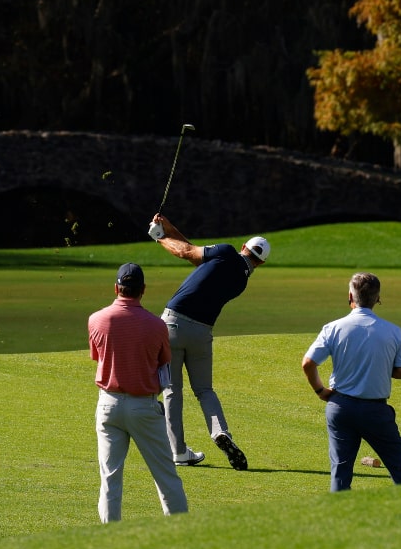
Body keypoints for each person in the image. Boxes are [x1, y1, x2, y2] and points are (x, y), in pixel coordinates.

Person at [150, 213, 267, 470]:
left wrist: (159, 237)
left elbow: (187, 252)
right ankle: (220, 432)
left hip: (173, 324)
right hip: (202, 333)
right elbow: (194, 254)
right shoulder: (241, 281)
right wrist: (169, 227)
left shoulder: (225, 252)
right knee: (204, 390)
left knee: (172, 391)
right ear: (260, 263)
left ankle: (178, 452)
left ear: (243, 247)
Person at [301, 272, 401, 491]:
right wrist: (381, 368)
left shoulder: (333, 328)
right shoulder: (393, 331)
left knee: (340, 473)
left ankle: (339, 520)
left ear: (350, 296)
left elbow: (308, 363)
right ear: (377, 299)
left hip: (340, 406)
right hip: (375, 410)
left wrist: (320, 390)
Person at [87, 262, 188, 523]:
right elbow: (162, 361)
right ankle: (182, 535)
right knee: (166, 476)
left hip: (108, 404)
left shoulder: (96, 319)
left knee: (110, 478)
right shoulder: (157, 326)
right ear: (143, 290)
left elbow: (97, 356)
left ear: (116, 288)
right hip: (144, 406)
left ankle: (112, 542)